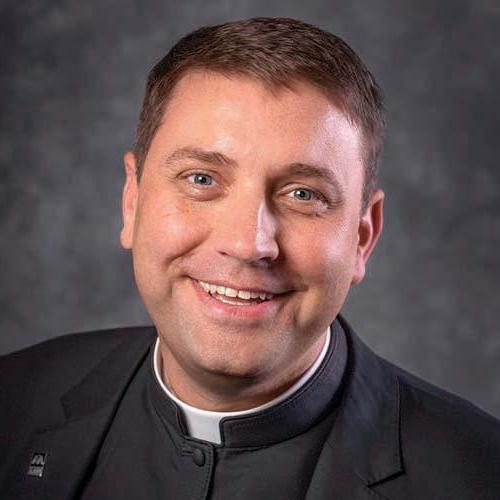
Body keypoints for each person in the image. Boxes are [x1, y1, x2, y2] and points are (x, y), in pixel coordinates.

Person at [1, 17, 499, 500]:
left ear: (362, 238)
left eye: (303, 194)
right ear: (132, 201)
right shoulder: (14, 400)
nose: (247, 244)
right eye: (201, 179)